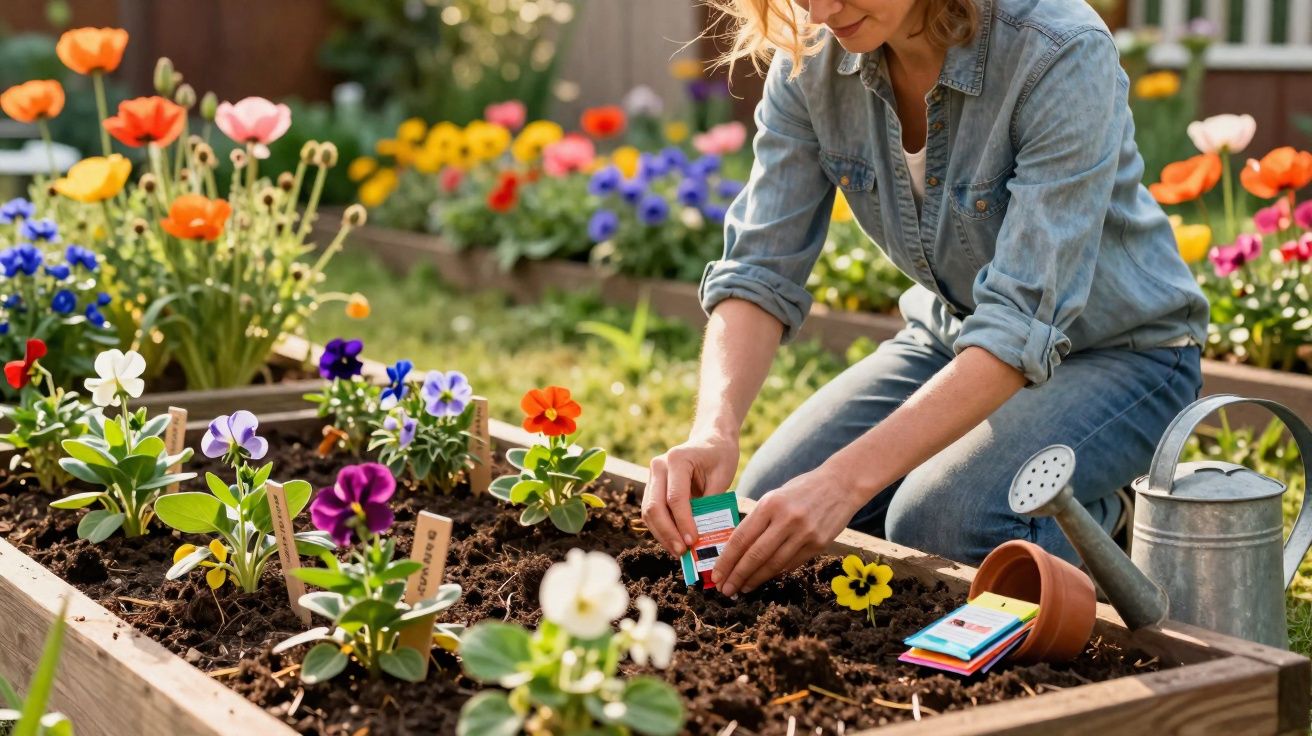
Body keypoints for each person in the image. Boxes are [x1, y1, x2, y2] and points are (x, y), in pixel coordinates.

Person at [642, 0, 1208, 598]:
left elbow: (1018, 323)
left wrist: (845, 481)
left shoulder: (1056, 49)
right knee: (772, 506)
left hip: (1126, 355)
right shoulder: (809, 62)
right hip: (952, 337)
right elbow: (759, 268)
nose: (823, 10)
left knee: (942, 520)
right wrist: (714, 429)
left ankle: (1100, 522)